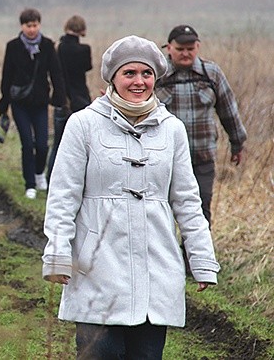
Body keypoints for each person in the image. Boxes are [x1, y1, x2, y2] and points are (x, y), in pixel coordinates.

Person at [42, 35, 220, 359]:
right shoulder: (82, 125)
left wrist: (203, 259)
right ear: (113, 77)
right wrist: (57, 254)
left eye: (146, 74)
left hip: (157, 271)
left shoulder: (173, 129)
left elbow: (187, 202)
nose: (139, 81)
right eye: (129, 73)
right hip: (96, 271)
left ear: (155, 78)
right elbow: (62, 197)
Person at [156, 25, 247, 226]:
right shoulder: (156, 76)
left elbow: (228, 111)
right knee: (163, 215)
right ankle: (168, 257)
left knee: (201, 211)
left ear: (198, 47)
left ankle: (195, 257)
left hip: (202, 158)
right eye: (180, 49)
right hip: (164, 159)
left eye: (191, 49)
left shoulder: (211, 74)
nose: (186, 54)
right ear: (169, 48)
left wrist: (237, 143)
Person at [0, 8, 67, 199]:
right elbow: (7, 75)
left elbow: (56, 73)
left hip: (40, 102)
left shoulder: (47, 45)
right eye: (28, 26)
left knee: (43, 144)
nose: (32, 29)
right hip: (19, 102)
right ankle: (29, 184)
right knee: (27, 143)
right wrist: (3, 102)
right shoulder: (13, 46)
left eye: (35, 25)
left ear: (39, 25)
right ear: (22, 26)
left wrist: (59, 96)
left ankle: (38, 174)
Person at [47, 14, 93, 182]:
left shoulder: (58, 47)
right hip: (81, 99)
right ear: (82, 30)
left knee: (58, 144)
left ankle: (51, 179)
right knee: (83, 146)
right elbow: (87, 67)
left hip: (62, 99)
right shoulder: (84, 49)